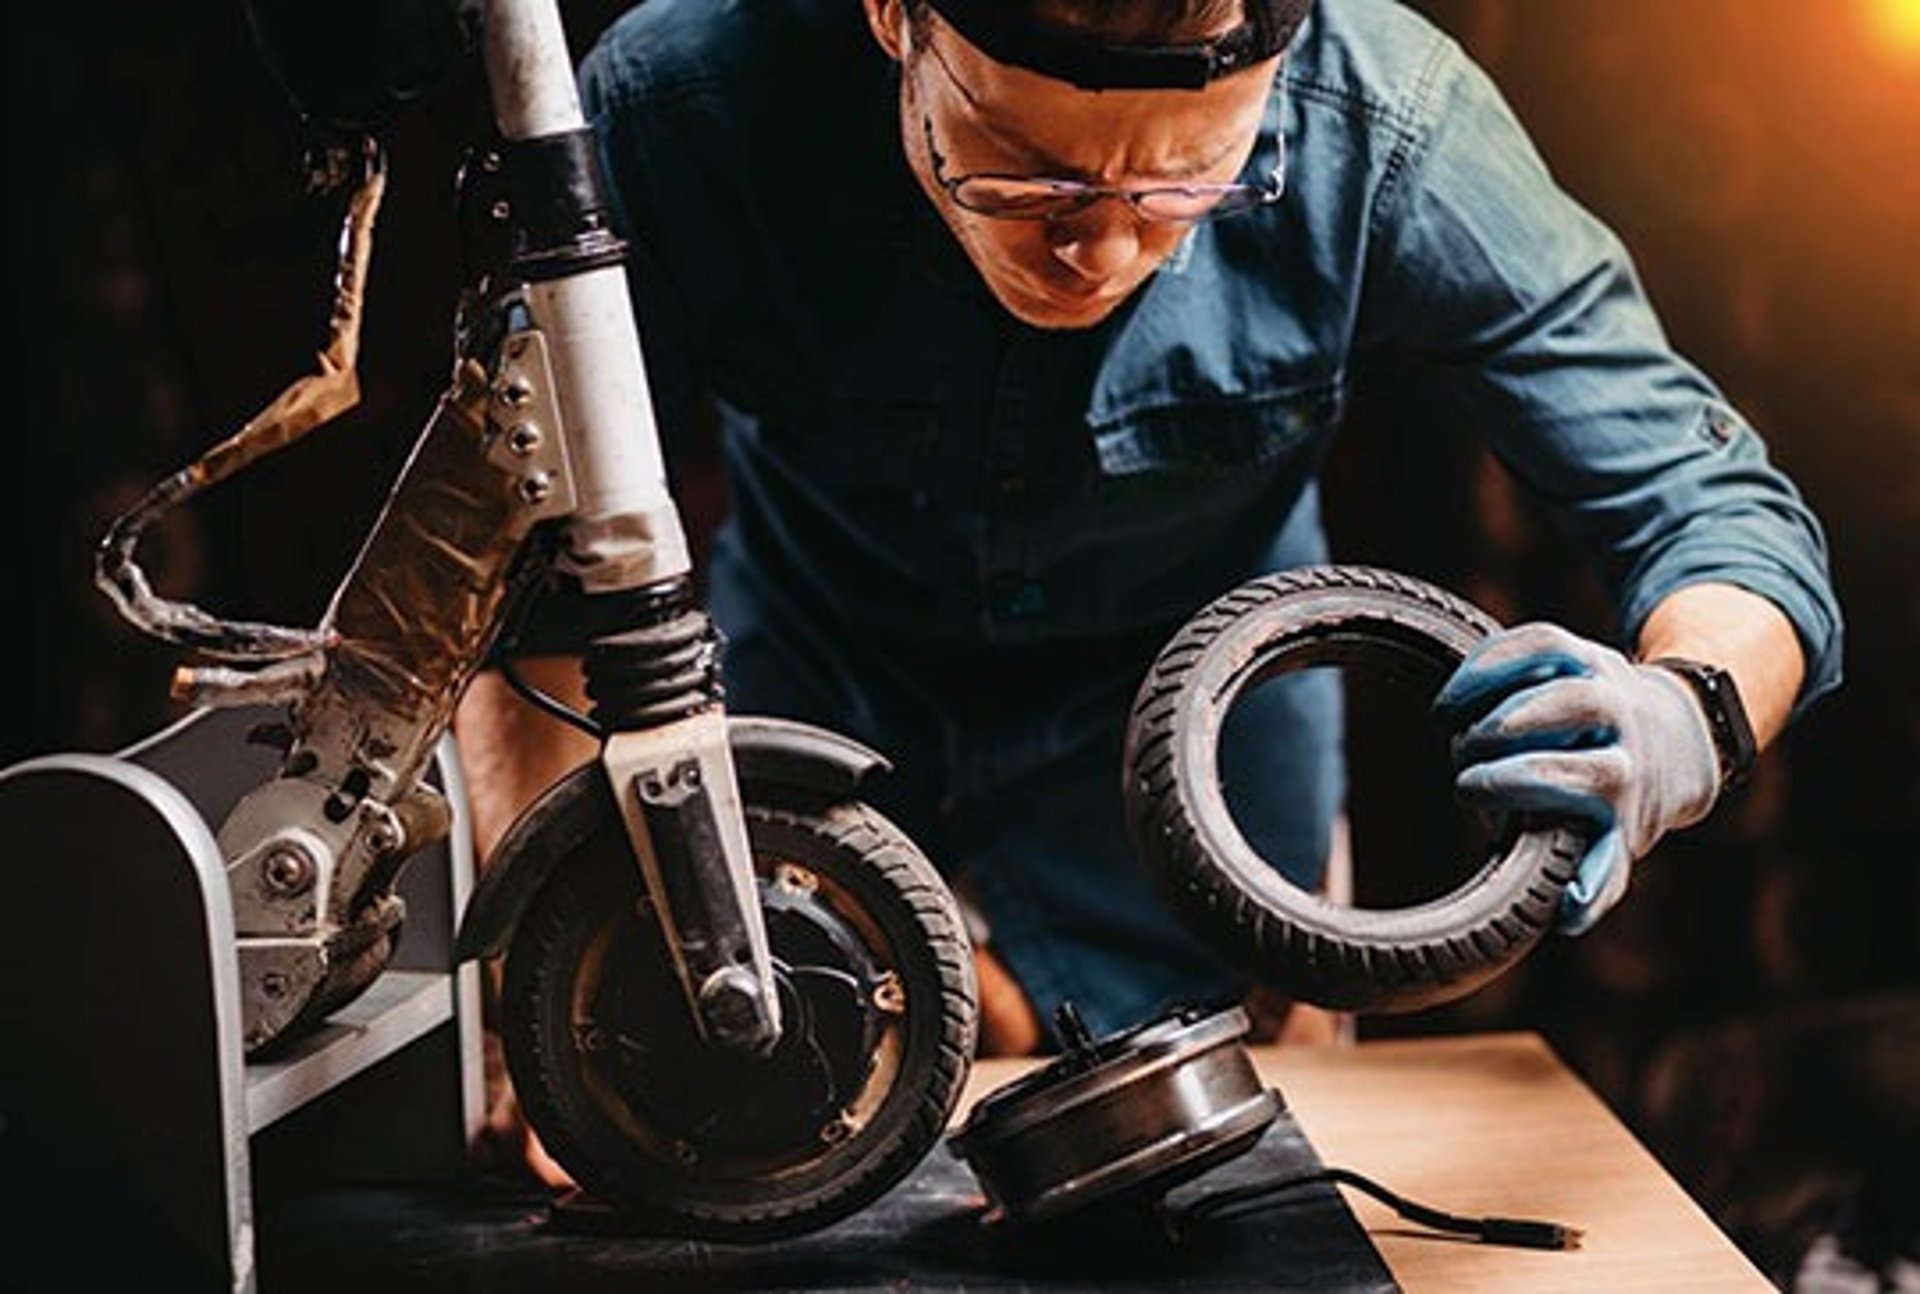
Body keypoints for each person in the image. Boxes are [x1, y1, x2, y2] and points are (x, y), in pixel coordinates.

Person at [455, 0, 1842, 1066]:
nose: (1102, 248)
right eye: (1021, 176)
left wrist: (1686, 713)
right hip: (810, 705)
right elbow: (517, 563)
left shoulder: (1389, 122)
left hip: (1207, 786)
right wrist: (553, 984)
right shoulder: (682, 104)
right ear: (894, 19)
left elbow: (1714, 505)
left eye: (1184, 186)